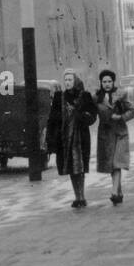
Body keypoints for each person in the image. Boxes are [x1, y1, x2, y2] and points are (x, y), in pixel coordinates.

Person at [46, 70, 98, 209]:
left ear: (75, 80)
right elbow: (52, 119)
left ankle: (82, 196)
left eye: (70, 79)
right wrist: (51, 139)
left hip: (80, 138)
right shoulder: (59, 98)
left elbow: (92, 115)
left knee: (80, 168)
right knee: (71, 169)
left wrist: (82, 116)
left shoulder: (84, 96)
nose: (67, 82)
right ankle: (77, 197)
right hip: (65, 140)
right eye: (66, 80)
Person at [95, 69, 134, 204]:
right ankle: (119, 192)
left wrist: (121, 117)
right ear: (101, 83)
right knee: (111, 166)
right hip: (105, 135)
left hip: (120, 133)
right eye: (104, 82)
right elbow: (91, 112)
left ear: (113, 82)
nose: (107, 84)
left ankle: (113, 192)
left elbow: (132, 111)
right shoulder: (97, 98)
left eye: (109, 81)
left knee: (117, 163)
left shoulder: (121, 95)